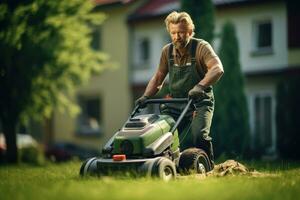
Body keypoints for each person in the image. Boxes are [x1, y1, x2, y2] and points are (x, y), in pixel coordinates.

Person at [135, 11, 224, 167]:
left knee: (199, 135)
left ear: (190, 32)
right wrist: (145, 96)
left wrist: (200, 86)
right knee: (162, 133)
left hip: (200, 101)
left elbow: (217, 69)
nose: (177, 37)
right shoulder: (167, 51)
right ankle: (166, 165)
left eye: (181, 33)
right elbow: (158, 78)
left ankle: (208, 168)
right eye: (173, 33)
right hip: (176, 102)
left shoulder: (201, 47)